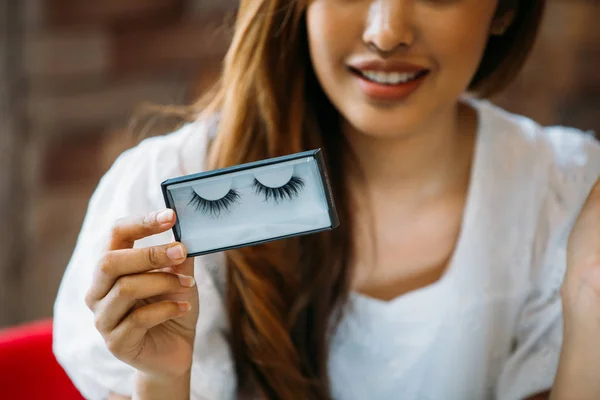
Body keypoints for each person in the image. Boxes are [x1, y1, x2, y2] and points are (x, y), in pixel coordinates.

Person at [52, 0, 600, 399]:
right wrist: (164, 381)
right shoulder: (167, 189)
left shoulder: (568, 198)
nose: (387, 33)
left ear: (504, 9)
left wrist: (588, 304)